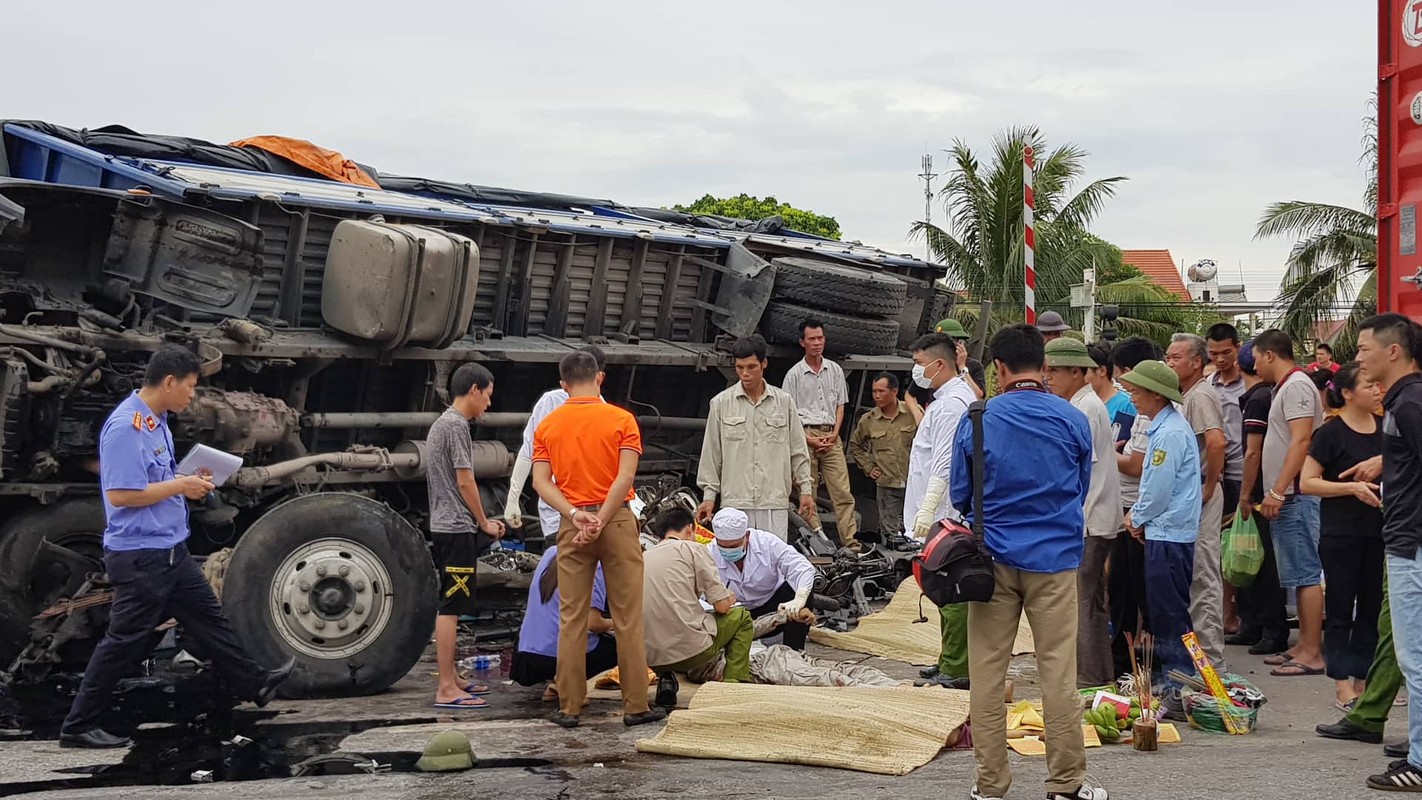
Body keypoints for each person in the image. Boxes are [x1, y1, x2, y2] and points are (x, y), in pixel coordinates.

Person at [60, 346, 294, 749]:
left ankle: (256, 683)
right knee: (124, 642)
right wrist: (180, 486)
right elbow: (120, 495)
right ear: (168, 382)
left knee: (210, 621)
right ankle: (78, 725)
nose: (191, 396)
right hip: (142, 556)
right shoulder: (126, 428)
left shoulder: (158, 422)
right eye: (189, 387)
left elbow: (157, 481)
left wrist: (189, 481)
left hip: (170, 549)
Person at [951, 324, 1099, 800]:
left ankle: (990, 786)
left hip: (990, 561)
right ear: (1044, 366)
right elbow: (1079, 487)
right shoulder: (1072, 418)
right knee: (1058, 673)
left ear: (998, 369)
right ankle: (1065, 786)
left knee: (988, 676)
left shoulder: (978, 417)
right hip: (1054, 561)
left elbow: (960, 495)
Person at [531, 350, 663, 728]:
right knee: (626, 616)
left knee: (572, 617)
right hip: (617, 521)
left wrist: (576, 516)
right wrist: (602, 519)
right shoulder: (622, 420)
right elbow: (624, 479)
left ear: (563, 384)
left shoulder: (549, 425)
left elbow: (541, 482)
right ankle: (636, 706)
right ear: (599, 378)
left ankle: (570, 706)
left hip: (573, 525)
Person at [1353, 314, 1422, 792]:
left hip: (1412, 545)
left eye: (1364, 349)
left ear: (1393, 351)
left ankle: (1419, 762)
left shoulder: (1412, 402)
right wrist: (1387, 464)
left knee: (1414, 657)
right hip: (1406, 540)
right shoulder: (1407, 400)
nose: (1358, 358)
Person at [1118, 359, 1202, 718]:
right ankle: (1176, 680)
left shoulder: (1168, 434)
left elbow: (1157, 489)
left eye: (1137, 392)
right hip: (1168, 530)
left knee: (1168, 613)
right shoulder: (1165, 428)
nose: (1133, 398)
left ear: (1155, 394)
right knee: (1166, 610)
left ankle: (1178, 685)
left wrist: (1135, 516)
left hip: (1168, 532)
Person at [1300, 363, 1384, 712]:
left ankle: (1365, 680)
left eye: (1379, 385)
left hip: (1380, 531)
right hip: (1340, 533)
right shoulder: (1331, 433)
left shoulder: (1387, 429)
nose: (1378, 391)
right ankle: (1341, 683)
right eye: (1369, 385)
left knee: (1371, 609)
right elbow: (1307, 482)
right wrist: (1350, 487)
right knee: (1339, 607)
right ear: (1347, 393)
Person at [425, 362, 505, 710]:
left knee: (451, 604)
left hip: (445, 525)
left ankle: (453, 677)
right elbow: (464, 479)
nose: (488, 404)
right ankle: (446, 687)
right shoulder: (456, 426)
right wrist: (484, 521)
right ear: (474, 389)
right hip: (456, 527)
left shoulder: (441, 424)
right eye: (487, 395)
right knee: (452, 607)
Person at [1044, 337, 1122, 688]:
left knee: (1081, 605)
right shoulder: (1081, 403)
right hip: (1092, 519)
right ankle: (1098, 674)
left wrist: (1069, 524)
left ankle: (1088, 678)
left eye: (1056, 371)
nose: (1049, 378)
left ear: (1078, 372)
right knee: (1091, 604)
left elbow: (1083, 473)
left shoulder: (1084, 409)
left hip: (1088, 521)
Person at [905, 332, 977, 690]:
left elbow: (944, 463)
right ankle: (949, 658)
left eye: (919, 364)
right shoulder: (945, 399)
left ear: (937, 364)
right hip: (939, 513)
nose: (916, 371)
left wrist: (928, 509)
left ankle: (956, 665)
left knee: (951, 590)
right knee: (942, 589)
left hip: (945, 513)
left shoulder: (951, 405)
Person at [1253, 329, 1326, 678]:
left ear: (1269, 354)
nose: (1253, 364)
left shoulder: (1296, 386)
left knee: (1306, 573)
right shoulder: (1286, 387)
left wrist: (1279, 490)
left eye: (1255, 356)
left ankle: (1312, 651)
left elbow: (1301, 441)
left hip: (1296, 495)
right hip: (1289, 495)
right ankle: (1302, 645)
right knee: (1296, 574)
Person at [697, 335, 815, 541]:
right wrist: (709, 497)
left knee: (772, 562)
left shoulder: (784, 403)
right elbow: (711, 454)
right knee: (736, 563)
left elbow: (798, 450)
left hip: (773, 501)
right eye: (740, 367)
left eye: (751, 367)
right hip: (735, 502)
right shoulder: (720, 404)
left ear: (764, 363)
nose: (745, 373)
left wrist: (805, 490)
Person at [643, 507, 755, 707]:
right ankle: (733, 685)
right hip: (692, 652)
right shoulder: (693, 550)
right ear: (689, 529)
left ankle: (667, 682)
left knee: (662, 616)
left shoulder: (644, 557)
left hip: (650, 656)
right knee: (742, 618)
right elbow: (721, 607)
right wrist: (729, 597)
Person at [1165, 333, 1228, 670]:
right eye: (1168, 357)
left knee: (1203, 572)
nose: (1170, 363)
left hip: (1202, 490)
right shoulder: (1186, 394)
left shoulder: (1201, 395)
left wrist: (1208, 484)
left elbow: (1217, 443)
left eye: (1176, 358)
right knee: (1192, 573)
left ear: (1195, 362)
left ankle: (1211, 660)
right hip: (1191, 492)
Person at [504, 345, 607, 538]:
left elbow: (529, 453)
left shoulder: (609, 414)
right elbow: (530, 450)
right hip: (564, 514)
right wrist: (513, 498)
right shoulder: (553, 402)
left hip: (585, 515)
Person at [1107, 337, 1162, 678]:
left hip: (1141, 514)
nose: (1128, 395)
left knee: (1142, 592)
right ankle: (1127, 659)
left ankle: (1150, 665)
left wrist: (1105, 452)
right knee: (1125, 588)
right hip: (1132, 510)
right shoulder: (1145, 415)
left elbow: (1143, 472)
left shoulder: (1160, 423)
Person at [1233, 342, 1291, 656]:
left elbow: (1252, 451)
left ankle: (1270, 628)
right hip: (1264, 489)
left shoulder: (1258, 400)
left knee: (1262, 563)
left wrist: (1245, 495)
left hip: (1257, 493)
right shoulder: (1265, 395)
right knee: (1254, 560)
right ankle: (1254, 624)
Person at [781, 319, 858, 548]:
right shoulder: (794, 375)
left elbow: (840, 405)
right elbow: (788, 415)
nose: (817, 343)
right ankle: (818, 542)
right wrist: (808, 440)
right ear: (802, 342)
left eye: (820, 338)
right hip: (805, 435)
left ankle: (851, 543)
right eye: (812, 339)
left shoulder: (834, 370)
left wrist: (835, 434)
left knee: (843, 492)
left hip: (831, 433)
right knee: (807, 492)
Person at [510, 546, 617, 701]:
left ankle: (556, 685)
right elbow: (592, 623)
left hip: (525, 655)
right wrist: (618, 623)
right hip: (555, 657)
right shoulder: (595, 563)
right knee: (628, 643)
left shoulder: (551, 552)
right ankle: (567, 685)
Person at [707, 507, 817, 650]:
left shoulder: (767, 542)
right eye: (723, 547)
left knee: (801, 586)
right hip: (735, 612)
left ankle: (795, 651)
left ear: (746, 536)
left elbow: (802, 567)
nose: (728, 552)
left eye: (734, 546)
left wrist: (799, 600)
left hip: (773, 603)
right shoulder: (708, 552)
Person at [1207, 324, 1247, 638]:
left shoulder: (1250, 384)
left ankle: (1241, 613)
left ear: (1238, 347)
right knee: (1223, 549)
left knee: (1245, 548)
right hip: (1220, 474)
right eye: (1214, 353)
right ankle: (1227, 614)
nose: (1220, 359)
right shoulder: (1210, 385)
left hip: (1245, 473)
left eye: (1226, 353)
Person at [848, 372, 918, 540]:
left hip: (914, 483)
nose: (877, 396)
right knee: (890, 534)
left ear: (894, 392)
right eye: (874, 391)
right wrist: (868, 467)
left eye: (881, 391)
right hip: (887, 485)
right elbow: (855, 445)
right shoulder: (869, 420)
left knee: (915, 530)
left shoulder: (912, 413)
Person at [933, 318, 986, 399]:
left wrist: (962, 367)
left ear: (960, 343)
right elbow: (911, 394)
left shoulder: (974, 365)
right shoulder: (932, 364)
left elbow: (978, 395)